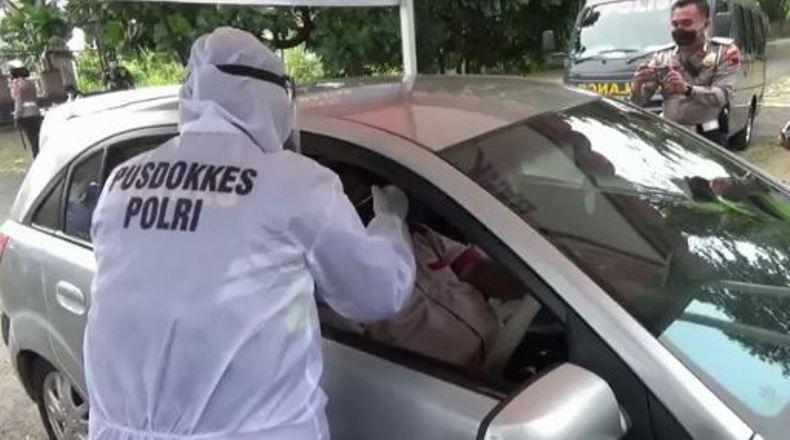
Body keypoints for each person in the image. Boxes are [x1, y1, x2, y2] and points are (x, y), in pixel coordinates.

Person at [85, 27, 416, 440]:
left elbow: (165, 271)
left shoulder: (122, 180)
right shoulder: (295, 182)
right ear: (272, 97)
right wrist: (391, 220)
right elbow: (377, 292)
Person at [631, 0, 741, 146]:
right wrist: (637, 86)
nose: (679, 29)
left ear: (706, 24)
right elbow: (639, 102)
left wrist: (687, 90)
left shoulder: (724, 52)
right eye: (675, 24)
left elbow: (723, 95)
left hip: (707, 134)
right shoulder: (662, 57)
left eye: (687, 23)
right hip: (670, 133)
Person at [8, 60, 42, 157]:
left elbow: (18, 101)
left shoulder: (16, 84)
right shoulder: (31, 83)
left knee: (33, 141)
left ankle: (37, 158)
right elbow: (36, 99)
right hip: (36, 113)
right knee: (38, 139)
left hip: (25, 116)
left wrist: (16, 116)